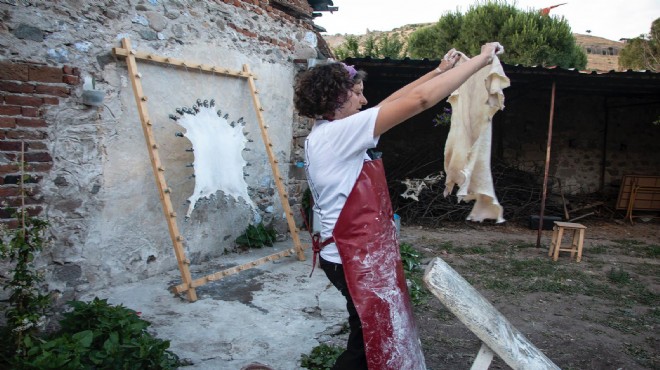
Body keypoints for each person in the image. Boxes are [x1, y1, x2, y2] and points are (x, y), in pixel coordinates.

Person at [294, 42, 504, 370]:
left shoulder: (328, 132)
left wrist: (438, 71)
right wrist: (480, 60)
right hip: (352, 259)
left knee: (367, 335)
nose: (364, 100)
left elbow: (391, 104)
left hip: (351, 255)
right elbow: (418, 102)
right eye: (359, 93)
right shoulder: (339, 136)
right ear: (338, 97)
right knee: (367, 343)